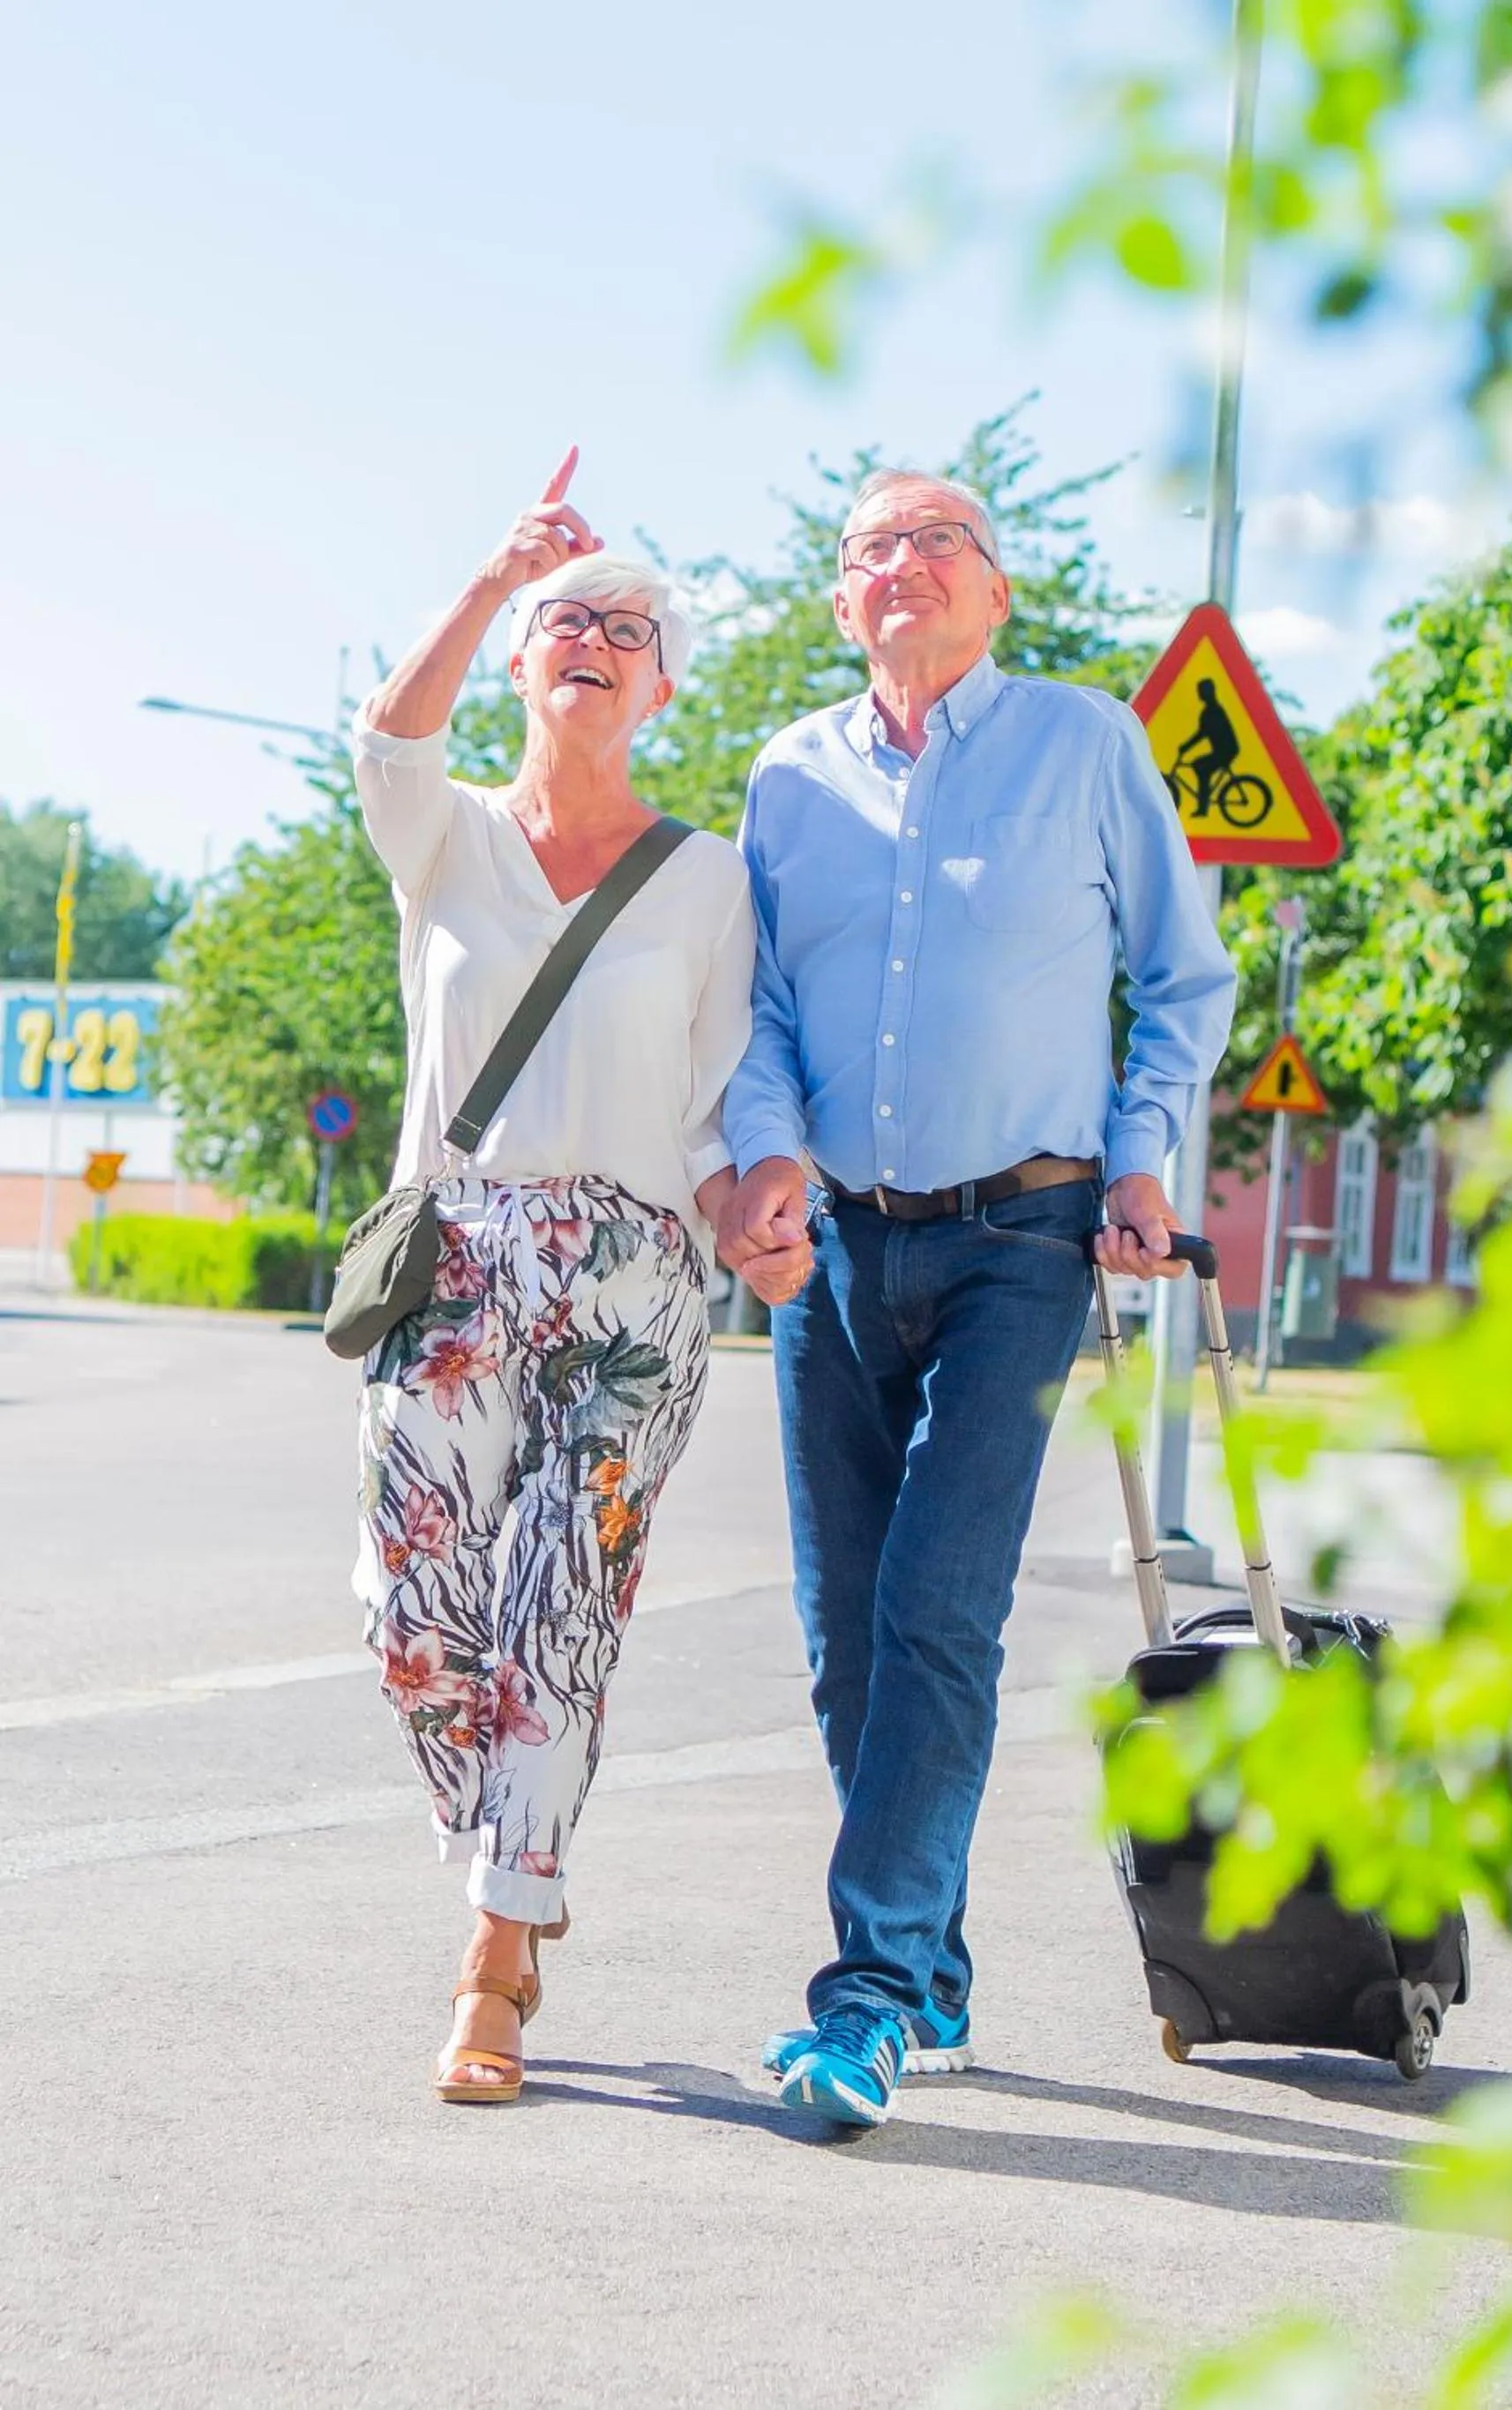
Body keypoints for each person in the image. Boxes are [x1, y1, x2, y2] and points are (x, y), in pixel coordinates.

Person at [719, 468, 1237, 2129]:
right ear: (838, 599)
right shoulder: (787, 778)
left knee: (939, 1610)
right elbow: (756, 1015)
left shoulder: (1082, 745)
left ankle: (864, 1997)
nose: (903, 565)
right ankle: (931, 1965)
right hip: (835, 1256)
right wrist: (768, 1153)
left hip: (1025, 1235)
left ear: (993, 590)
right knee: (843, 1643)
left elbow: (1181, 974)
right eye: (871, 545)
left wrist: (1144, 1158)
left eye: (939, 540)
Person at [349, 453, 759, 2104]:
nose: (590, 638)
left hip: (635, 1280)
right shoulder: (440, 839)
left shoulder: (710, 879)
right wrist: (487, 573)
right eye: (562, 621)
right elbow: (387, 737)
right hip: (453, 1256)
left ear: (661, 684)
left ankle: (497, 1954)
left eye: (625, 627)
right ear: (522, 663)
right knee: (407, 1617)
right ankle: (517, 1840)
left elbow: (726, 1100)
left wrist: (758, 1214)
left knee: (563, 1607)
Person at [1174, 677, 1240, 817]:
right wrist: (1186, 746)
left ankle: (1203, 806)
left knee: (1201, 768)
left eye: (1201, 691)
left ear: (1208, 692)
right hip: (1222, 750)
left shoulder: (1213, 711)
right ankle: (1204, 798)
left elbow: (1202, 734)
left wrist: (1185, 747)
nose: (1199, 694)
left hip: (1227, 751)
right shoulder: (1210, 710)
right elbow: (1202, 733)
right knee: (1198, 765)